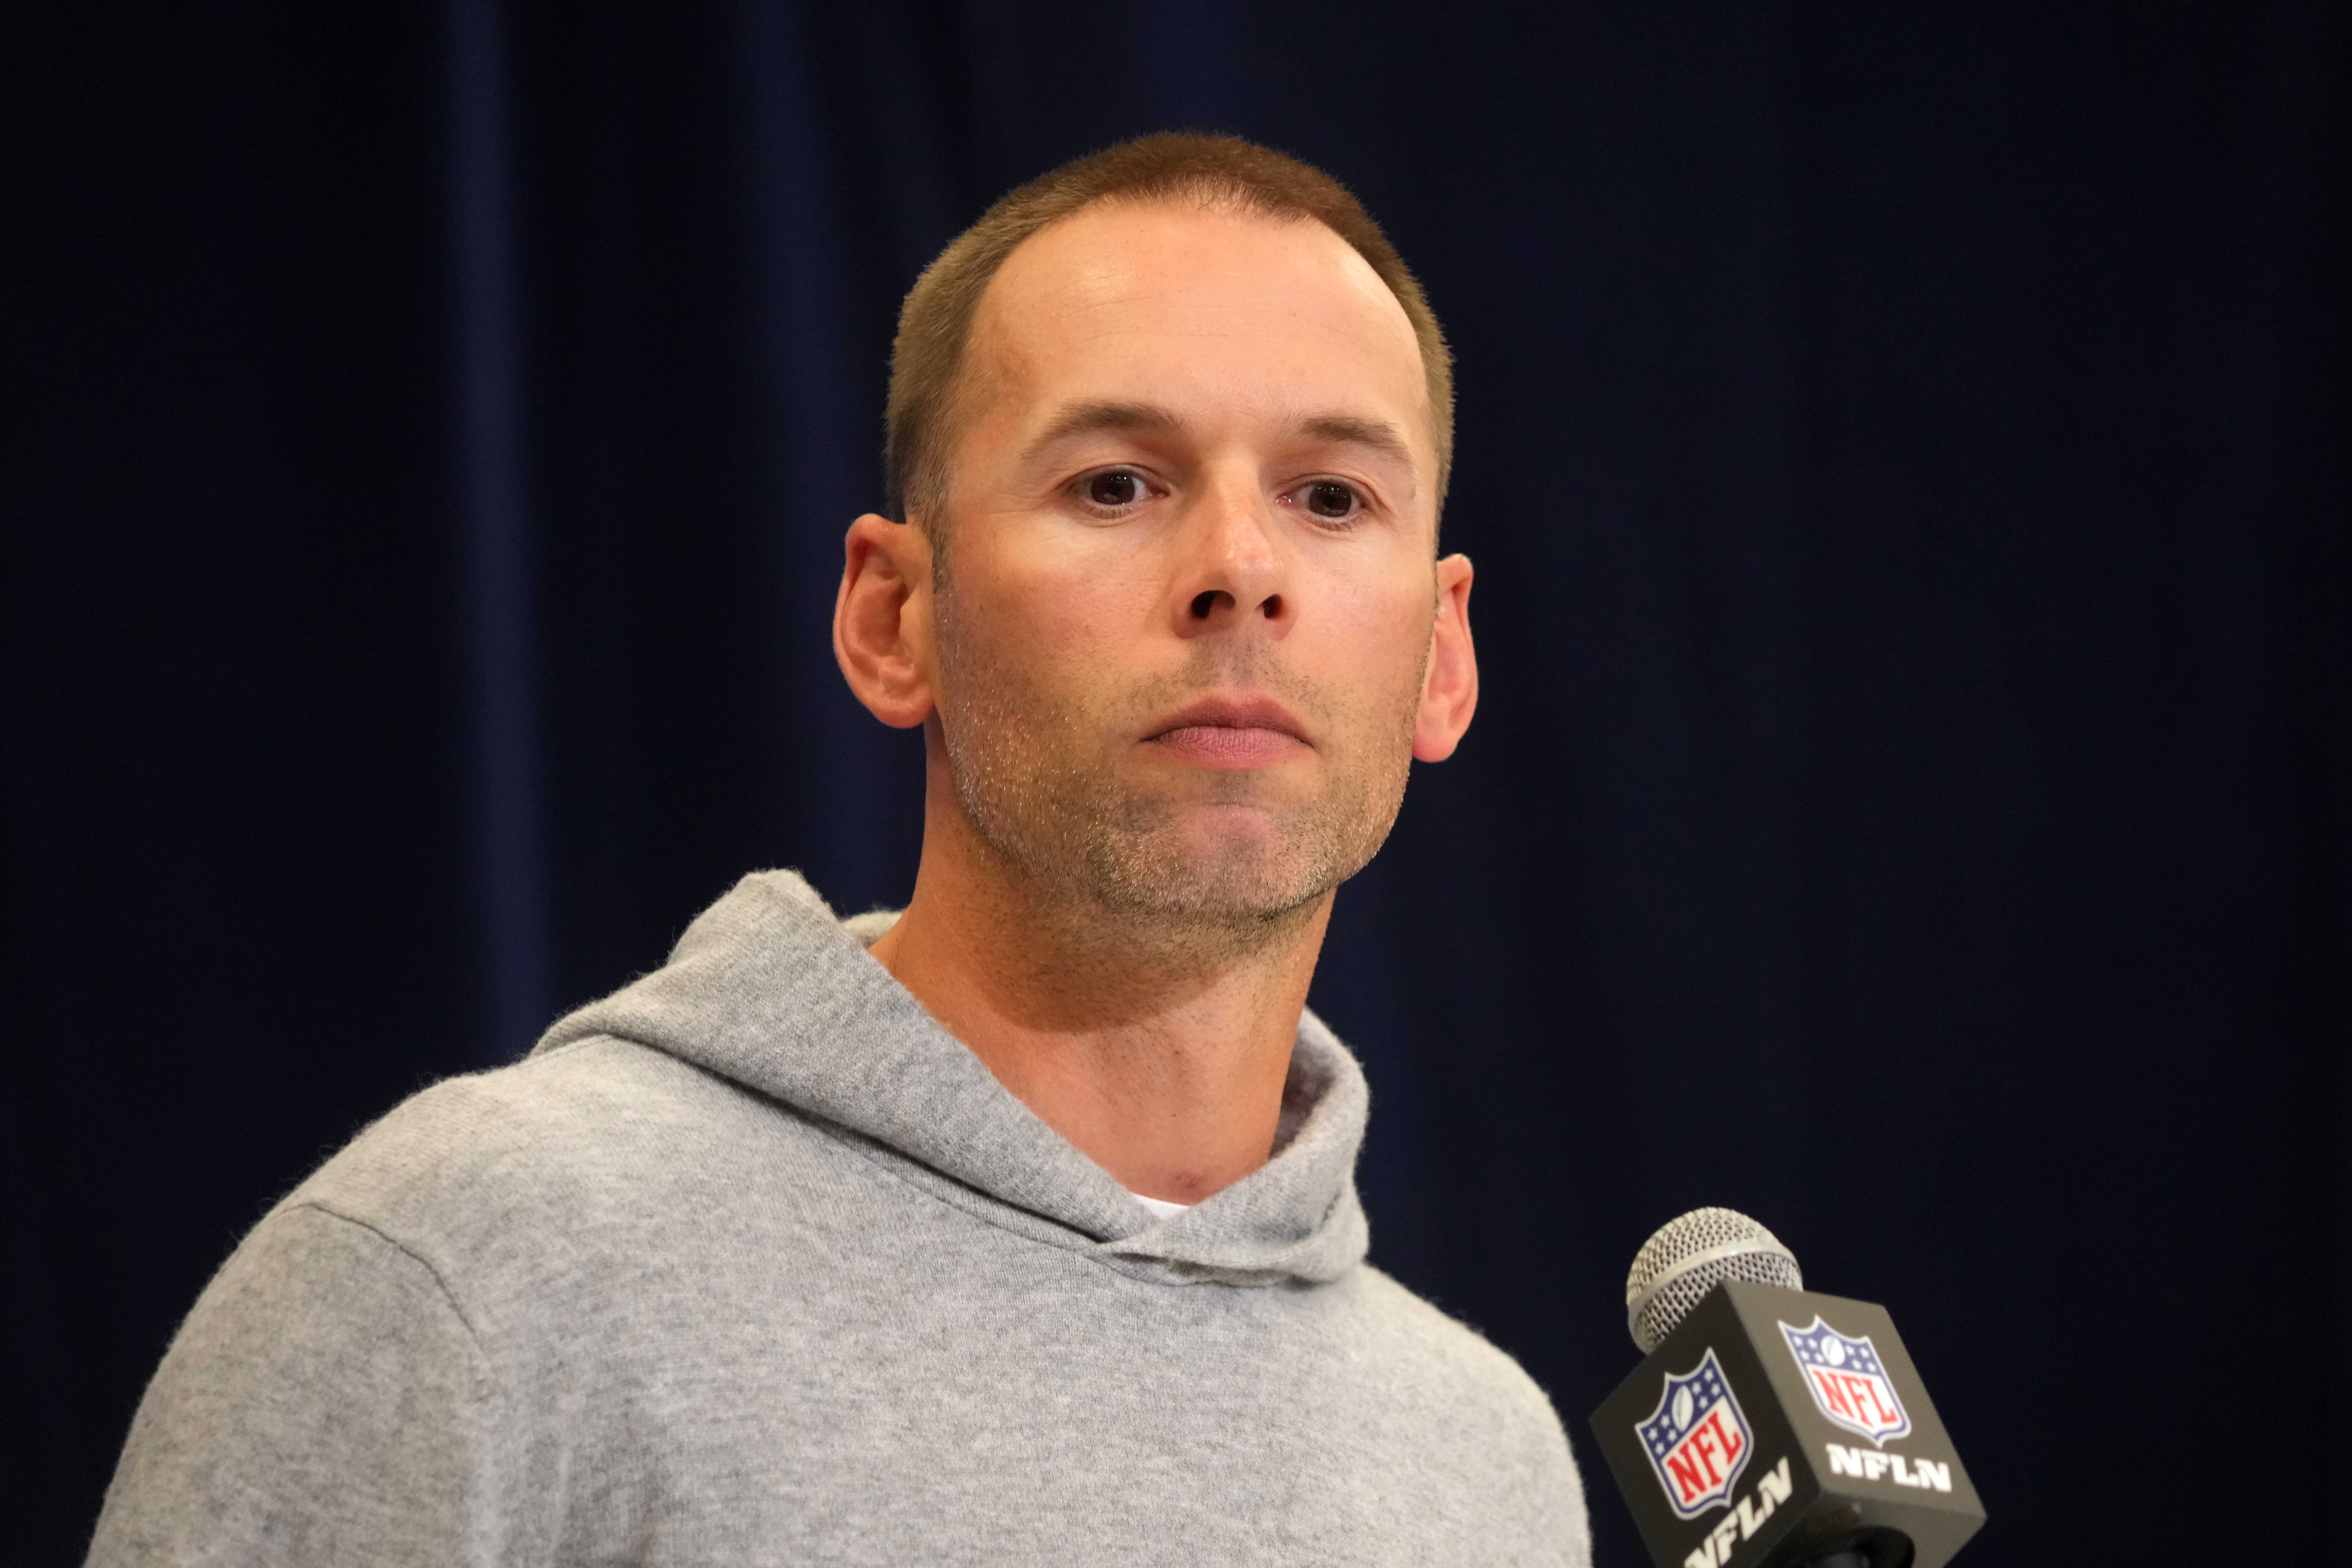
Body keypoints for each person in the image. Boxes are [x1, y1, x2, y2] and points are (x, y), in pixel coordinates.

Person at [87, 133, 1591, 1567]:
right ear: (894, 621)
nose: (1241, 574)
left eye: (1332, 497)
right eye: (1116, 484)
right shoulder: (469, 1270)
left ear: (1443, 660)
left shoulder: (1483, 1458)